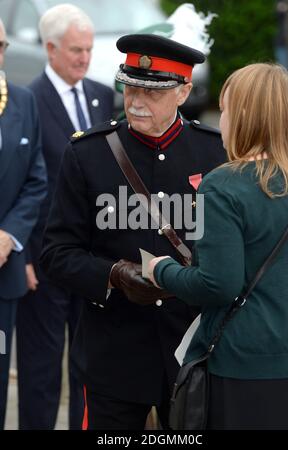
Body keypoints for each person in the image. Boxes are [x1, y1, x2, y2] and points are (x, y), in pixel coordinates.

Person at [39, 33, 226, 430]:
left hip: (192, 351)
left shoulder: (217, 153)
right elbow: (56, 252)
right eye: (131, 88)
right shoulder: (88, 153)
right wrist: (113, 275)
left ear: (184, 91)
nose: (137, 101)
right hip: (114, 354)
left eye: (152, 92)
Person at [149, 63, 288, 430]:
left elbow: (217, 284)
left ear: (245, 115)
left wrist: (161, 270)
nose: (223, 119)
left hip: (241, 365)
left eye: (227, 109)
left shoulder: (223, 186)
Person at [16, 4, 114, 430]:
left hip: (91, 260)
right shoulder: (28, 102)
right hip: (43, 259)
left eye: (89, 49)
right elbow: (22, 182)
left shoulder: (101, 94)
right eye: (76, 50)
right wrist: (22, 257)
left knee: (88, 367)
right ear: (51, 49)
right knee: (41, 370)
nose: (85, 58)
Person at [0, 18, 47, 430]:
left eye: (0, 45)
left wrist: (9, 235)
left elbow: (36, 180)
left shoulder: (22, 101)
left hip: (3, 271)